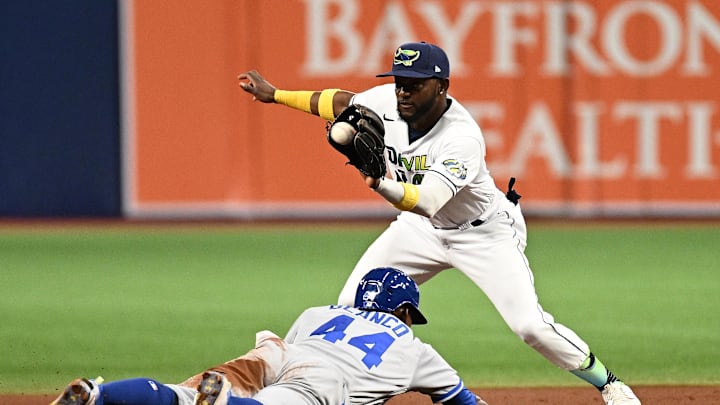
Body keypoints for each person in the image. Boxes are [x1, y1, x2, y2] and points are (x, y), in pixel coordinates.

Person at [237, 41, 642, 405]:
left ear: (441, 87)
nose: (403, 91)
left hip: (482, 233)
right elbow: (338, 102)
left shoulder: (461, 136)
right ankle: (342, 395)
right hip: (419, 232)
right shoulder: (385, 102)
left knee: (530, 326)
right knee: (349, 310)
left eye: (414, 83)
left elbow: (429, 202)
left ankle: (608, 383)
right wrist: (275, 95)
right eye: (399, 80)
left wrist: (379, 183)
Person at [50, 267, 487, 405]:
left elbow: (291, 350)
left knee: (180, 398)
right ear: (405, 311)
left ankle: (97, 396)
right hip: (321, 379)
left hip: (278, 350)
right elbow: (460, 401)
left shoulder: (321, 310)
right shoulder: (415, 347)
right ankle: (225, 402)